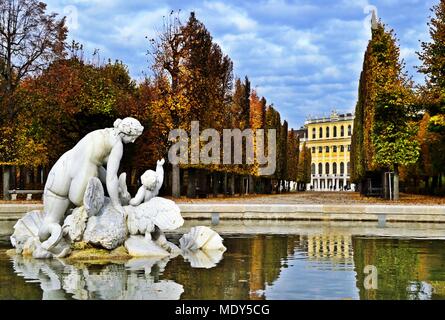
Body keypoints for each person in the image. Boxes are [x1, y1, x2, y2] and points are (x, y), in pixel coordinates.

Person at [38, 118, 144, 251]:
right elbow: (111, 177)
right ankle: (71, 238)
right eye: (134, 137)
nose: (133, 141)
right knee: (92, 206)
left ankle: (50, 236)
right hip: (82, 176)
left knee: (50, 220)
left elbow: (96, 164)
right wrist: (117, 204)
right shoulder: (117, 145)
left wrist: (117, 187)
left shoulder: (100, 133)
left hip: (62, 168)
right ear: (126, 133)